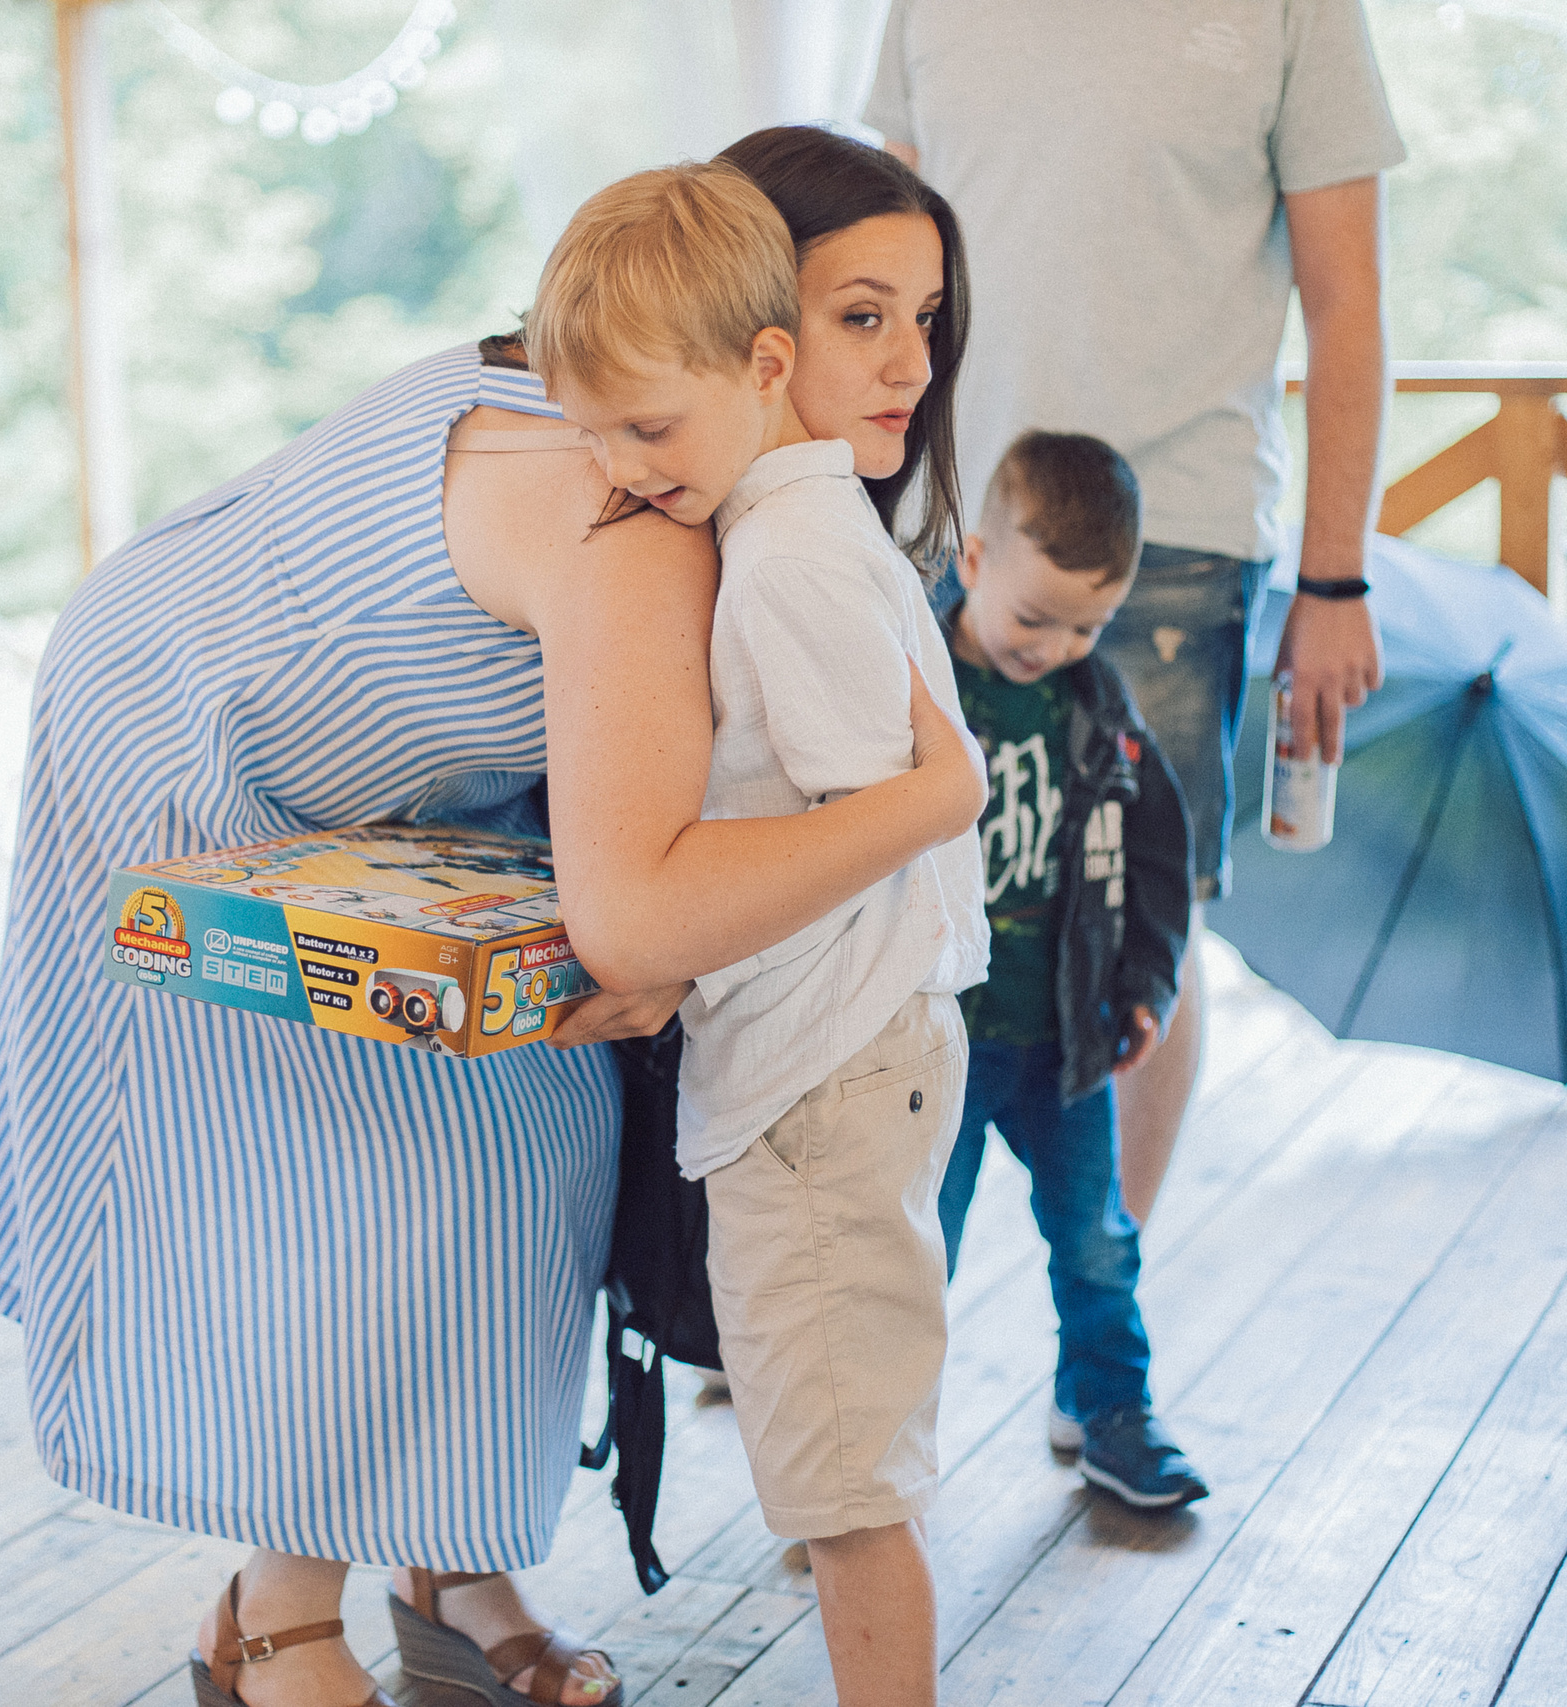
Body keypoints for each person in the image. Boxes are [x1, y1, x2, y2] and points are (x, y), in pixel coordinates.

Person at [0, 137, 987, 1707]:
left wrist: (668, 943)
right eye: (862, 314)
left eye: (924, 315)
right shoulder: (639, 495)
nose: (909, 364)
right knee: (378, 1166)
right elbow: (644, 913)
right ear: (741, 314)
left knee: (538, 1120)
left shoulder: (716, 470)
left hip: (407, 793)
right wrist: (911, 812)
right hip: (189, 730)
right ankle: (271, 1620)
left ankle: (449, 1562)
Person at [534, 159, 985, 1707]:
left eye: (646, 430)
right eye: (590, 435)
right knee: (842, 1474)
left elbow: (867, 835)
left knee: (848, 1496)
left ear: (762, 366)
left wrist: (662, 954)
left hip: (820, 1078)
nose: (616, 472)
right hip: (846, 1062)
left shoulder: (788, 553)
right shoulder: (807, 522)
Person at [865, 1, 1405, 1221]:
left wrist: (1336, 580)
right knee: (873, 897)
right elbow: (878, 255)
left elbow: (1347, 297)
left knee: (1138, 917)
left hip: (1167, 543)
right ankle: (853, 1293)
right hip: (940, 524)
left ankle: (1099, 1324)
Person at [933, 429, 1205, 1507]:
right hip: (938, 1039)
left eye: (1088, 624)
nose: (1053, 646)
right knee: (916, 1254)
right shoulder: (914, 684)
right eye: (1034, 617)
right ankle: (875, 1461)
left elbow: (1157, 857)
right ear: (973, 560)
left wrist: (1143, 983)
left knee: (1094, 1240)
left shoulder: (1101, 707)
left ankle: (1112, 1415)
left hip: (1064, 1035)